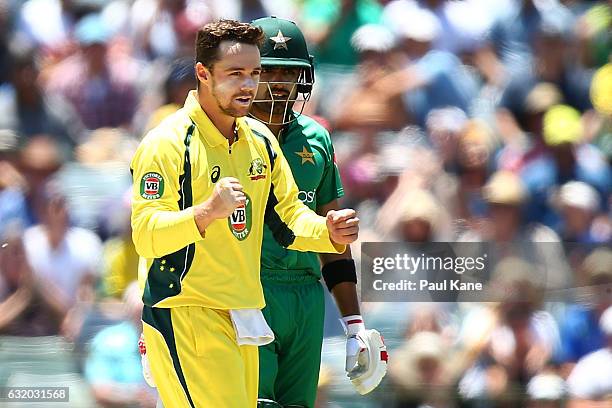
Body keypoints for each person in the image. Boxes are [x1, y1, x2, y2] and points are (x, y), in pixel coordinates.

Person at [130, 19, 359, 408]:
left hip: (242, 313)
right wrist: (206, 213)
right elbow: (147, 234)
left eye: (254, 73)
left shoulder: (260, 140)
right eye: (235, 74)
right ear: (203, 73)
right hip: (185, 310)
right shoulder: (167, 143)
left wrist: (328, 231)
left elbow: (288, 220)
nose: (249, 86)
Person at [249, 17, 387, 407]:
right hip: (245, 289)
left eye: (288, 72)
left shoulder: (316, 137)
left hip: (307, 295)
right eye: (268, 71)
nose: (278, 82)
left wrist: (354, 325)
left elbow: (333, 239)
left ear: (304, 77)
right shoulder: (227, 135)